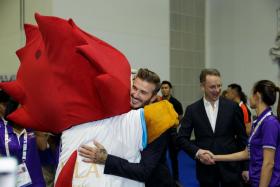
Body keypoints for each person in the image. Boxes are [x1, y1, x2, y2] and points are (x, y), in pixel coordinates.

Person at [78, 68, 176, 187]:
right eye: (134, 88)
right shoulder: (123, 109)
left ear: (153, 97)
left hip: (154, 183)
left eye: (143, 92)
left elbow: (143, 171)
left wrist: (106, 159)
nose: (135, 95)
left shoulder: (158, 120)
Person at [177, 68, 247, 187]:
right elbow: (181, 138)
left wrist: (245, 167)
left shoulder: (233, 107)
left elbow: (242, 139)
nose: (217, 90)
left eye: (219, 86)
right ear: (202, 86)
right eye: (212, 87)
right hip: (206, 171)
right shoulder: (192, 110)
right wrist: (198, 153)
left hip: (231, 169)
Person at [213, 80, 280, 187]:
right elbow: (246, 153)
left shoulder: (270, 123)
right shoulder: (258, 122)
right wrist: (215, 157)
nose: (249, 97)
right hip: (255, 181)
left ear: (257, 95)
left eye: (251, 93)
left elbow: (268, 164)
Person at [0, 96, 46, 187]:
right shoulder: (2, 129)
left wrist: (38, 128)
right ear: (13, 110)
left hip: (36, 182)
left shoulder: (31, 126)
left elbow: (43, 146)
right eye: (21, 109)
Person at [160, 80, 183, 183]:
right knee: (160, 156)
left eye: (166, 88)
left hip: (172, 133)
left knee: (174, 157)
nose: (164, 90)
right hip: (161, 133)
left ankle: (176, 178)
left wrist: (173, 124)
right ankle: (162, 177)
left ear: (170, 89)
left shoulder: (176, 103)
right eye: (163, 88)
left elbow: (180, 117)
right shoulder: (158, 102)